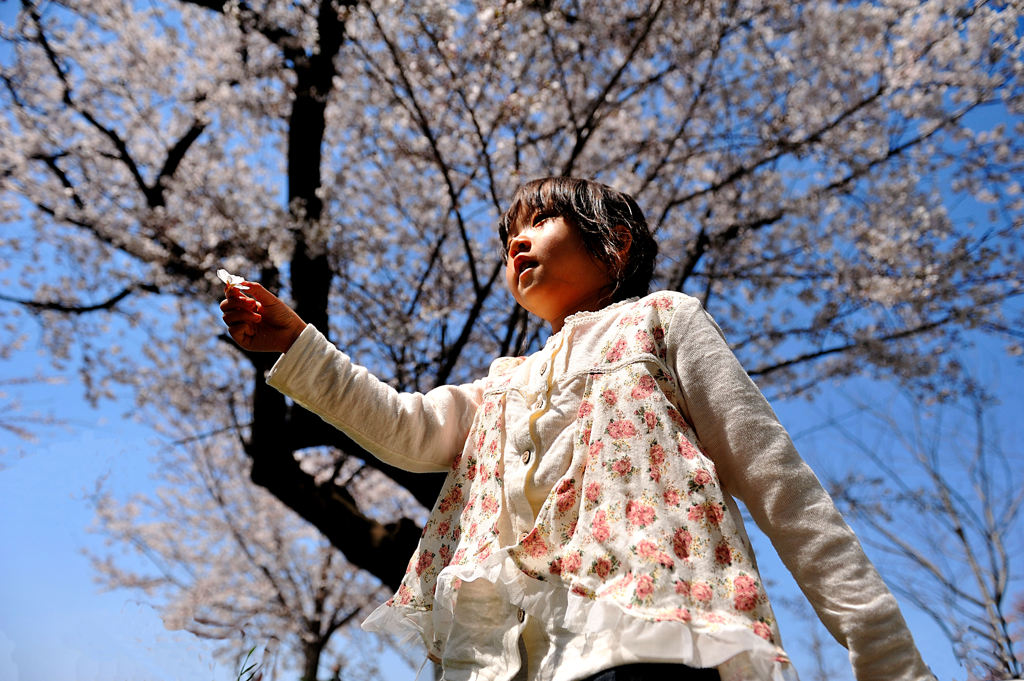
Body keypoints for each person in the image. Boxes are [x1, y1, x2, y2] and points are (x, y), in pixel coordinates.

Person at [220, 177, 934, 681]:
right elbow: (406, 428)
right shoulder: (502, 383)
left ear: (615, 243)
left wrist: (882, 649)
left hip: (645, 638)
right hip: (512, 660)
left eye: (539, 222)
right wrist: (297, 342)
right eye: (507, 235)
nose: (515, 241)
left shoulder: (661, 321)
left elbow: (779, 483)